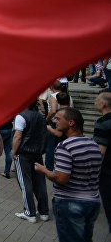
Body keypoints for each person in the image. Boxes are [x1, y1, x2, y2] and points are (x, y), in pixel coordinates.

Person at [35, 107, 102, 242]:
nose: (54, 121)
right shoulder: (93, 143)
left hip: (71, 203)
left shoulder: (65, 147)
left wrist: (44, 171)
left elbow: (61, 179)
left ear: (71, 123)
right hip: (92, 202)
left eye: (58, 119)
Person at [11, 100, 49, 223]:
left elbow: (18, 136)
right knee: (40, 183)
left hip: (24, 154)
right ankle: (44, 212)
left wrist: (14, 152)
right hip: (37, 153)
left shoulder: (21, 116)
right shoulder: (40, 116)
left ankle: (30, 213)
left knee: (25, 183)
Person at [93, 91, 111, 233]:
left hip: (108, 173)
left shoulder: (102, 123)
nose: (94, 102)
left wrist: (94, 175)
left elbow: (101, 152)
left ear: (103, 104)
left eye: (96, 100)